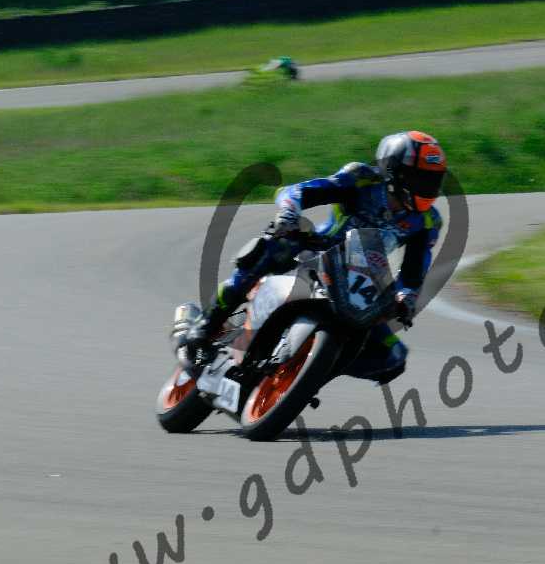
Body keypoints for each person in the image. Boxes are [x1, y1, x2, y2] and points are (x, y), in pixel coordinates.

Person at [184, 130, 447, 384]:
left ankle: (309, 372)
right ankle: (206, 325)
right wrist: (288, 214)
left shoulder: (427, 221)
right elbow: (297, 191)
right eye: (420, 179)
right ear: (392, 170)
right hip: (316, 253)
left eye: (433, 181)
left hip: (361, 282)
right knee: (273, 245)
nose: (427, 188)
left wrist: (405, 296)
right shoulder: (362, 180)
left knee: (393, 358)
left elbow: (414, 270)